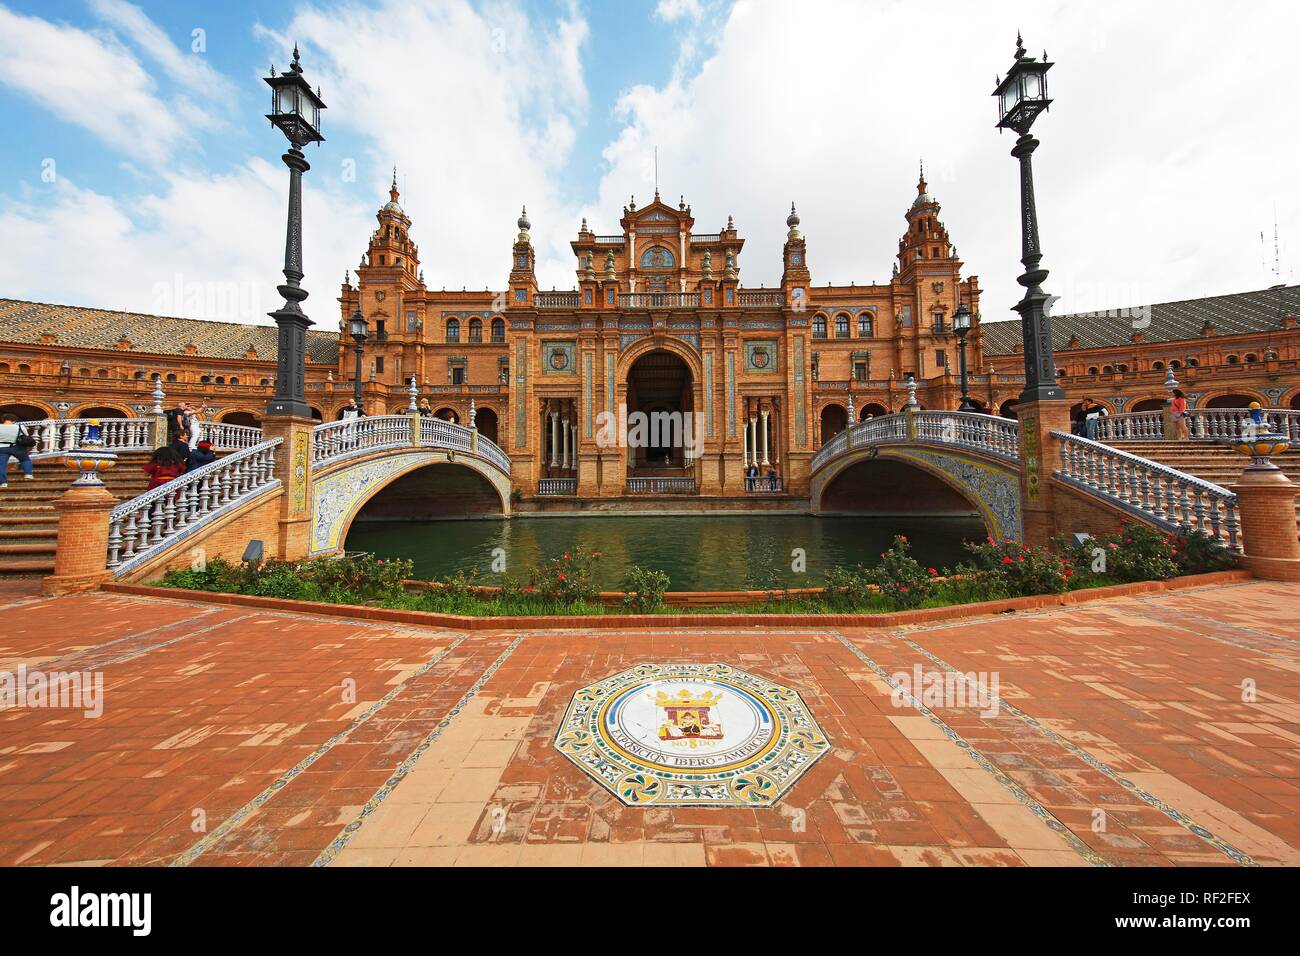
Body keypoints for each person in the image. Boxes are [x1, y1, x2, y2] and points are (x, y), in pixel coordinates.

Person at [0, 415, 36, 486]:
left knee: (1, 465)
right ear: (14, 421)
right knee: (25, 459)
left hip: (2, 448)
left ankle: (3, 482)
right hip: (17, 447)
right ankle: (28, 474)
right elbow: (26, 435)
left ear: (3, 420)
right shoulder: (19, 426)